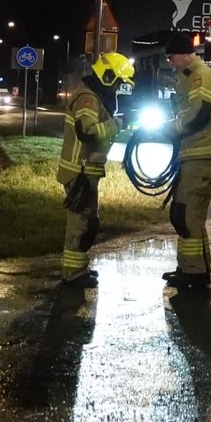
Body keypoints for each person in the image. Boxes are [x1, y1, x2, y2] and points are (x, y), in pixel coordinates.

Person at [55, 52, 133, 289]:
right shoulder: (87, 98)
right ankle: (72, 273)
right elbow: (87, 132)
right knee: (80, 223)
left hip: (87, 170)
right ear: (108, 76)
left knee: (88, 222)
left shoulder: (94, 96)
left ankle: (79, 268)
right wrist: (118, 123)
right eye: (119, 82)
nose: (119, 87)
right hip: (79, 171)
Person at [160, 30, 211, 293]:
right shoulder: (187, 77)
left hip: (204, 153)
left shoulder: (199, 76)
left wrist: (170, 129)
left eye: (171, 57)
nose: (170, 62)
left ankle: (195, 273)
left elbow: (198, 115)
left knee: (186, 214)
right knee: (190, 215)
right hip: (195, 154)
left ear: (184, 54)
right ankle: (191, 268)